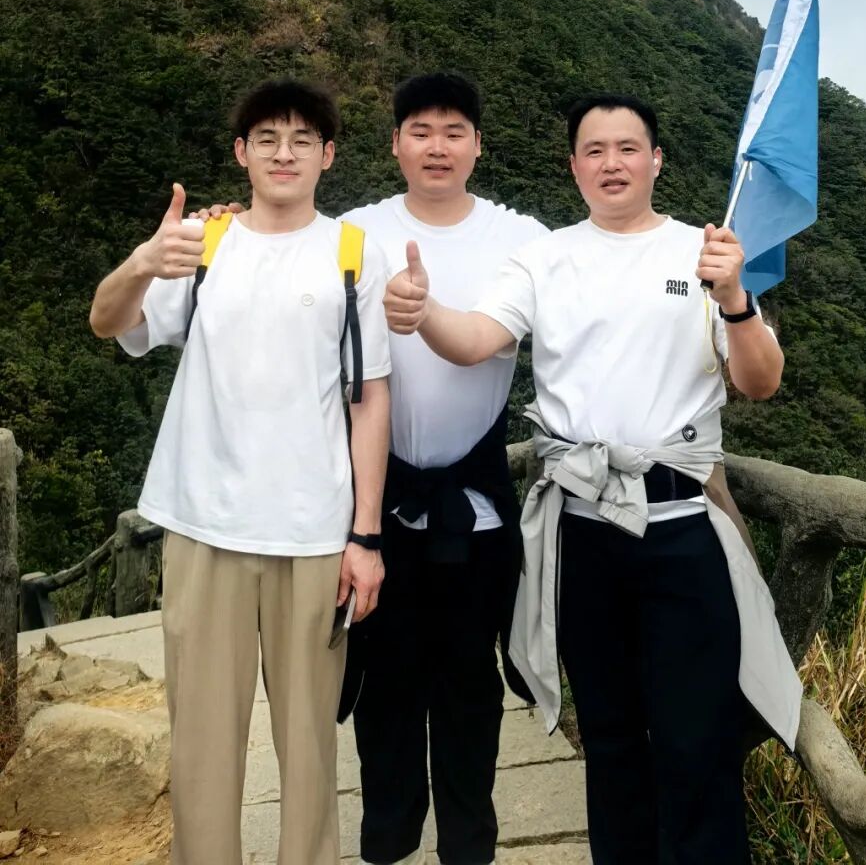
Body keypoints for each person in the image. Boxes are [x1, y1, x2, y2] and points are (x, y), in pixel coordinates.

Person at [385, 92, 803, 865]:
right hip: (581, 531)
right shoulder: (545, 258)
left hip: (683, 528)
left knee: (696, 738)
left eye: (628, 148)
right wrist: (422, 311)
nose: (612, 163)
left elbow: (760, 380)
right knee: (609, 737)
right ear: (574, 166)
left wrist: (736, 300)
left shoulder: (706, 251)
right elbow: (475, 339)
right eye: (595, 150)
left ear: (656, 160)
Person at [89, 79, 392, 865]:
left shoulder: (354, 253)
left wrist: (365, 537)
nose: (284, 153)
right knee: (201, 746)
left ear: (328, 156)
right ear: (241, 152)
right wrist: (143, 261)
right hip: (202, 524)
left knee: (311, 747)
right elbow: (107, 320)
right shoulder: (201, 242)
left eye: (302, 140)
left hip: (314, 533)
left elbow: (368, 401)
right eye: (267, 139)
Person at [341, 72, 547, 865]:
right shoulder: (353, 233)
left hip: (477, 505)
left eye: (454, 131)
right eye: (420, 130)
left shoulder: (521, 238)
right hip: (376, 505)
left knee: (469, 686)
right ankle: (388, 844)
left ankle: (469, 848)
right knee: (383, 685)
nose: (437, 146)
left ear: (478, 145)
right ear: (394, 143)